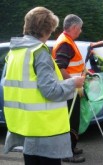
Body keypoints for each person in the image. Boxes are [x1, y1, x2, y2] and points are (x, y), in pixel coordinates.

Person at [3, 7, 85, 165]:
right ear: (46, 30)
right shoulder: (39, 52)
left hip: (26, 125)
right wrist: (73, 83)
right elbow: (51, 91)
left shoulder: (15, 52)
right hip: (44, 128)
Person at [52, 14, 88, 163]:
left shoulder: (67, 41)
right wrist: (74, 82)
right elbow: (60, 68)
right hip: (68, 90)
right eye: (79, 29)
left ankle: (71, 148)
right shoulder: (65, 43)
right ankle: (67, 153)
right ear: (74, 27)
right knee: (70, 122)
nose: (80, 31)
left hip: (71, 88)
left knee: (72, 121)